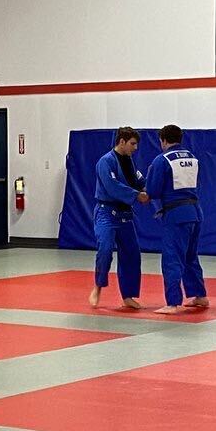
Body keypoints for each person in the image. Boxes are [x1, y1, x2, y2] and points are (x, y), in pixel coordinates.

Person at [144, 125, 208, 314]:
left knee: (172, 258)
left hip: (176, 214)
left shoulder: (161, 160)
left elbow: (153, 191)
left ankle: (172, 302)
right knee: (190, 256)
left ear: (162, 140)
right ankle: (199, 295)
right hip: (195, 211)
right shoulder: (192, 158)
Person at [90, 126, 147, 310]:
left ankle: (128, 295)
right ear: (121, 141)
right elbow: (112, 186)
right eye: (132, 144)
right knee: (105, 250)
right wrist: (137, 195)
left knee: (132, 254)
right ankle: (98, 286)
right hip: (107, 213)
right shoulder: (105, 162)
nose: (135, 148)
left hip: (125, 214)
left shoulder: (130, 162)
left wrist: (152, 189)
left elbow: (140, 181)